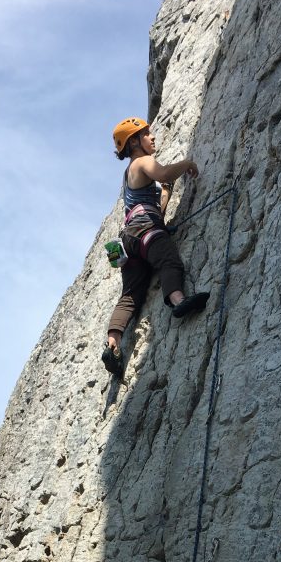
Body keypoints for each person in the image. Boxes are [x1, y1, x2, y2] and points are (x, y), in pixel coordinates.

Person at [102, 117, 210, 377]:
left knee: (131, 294)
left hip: (130, 240)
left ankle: (113, 343)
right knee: (168, 261)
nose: (153, 138)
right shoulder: (143, 161)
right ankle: (178, 300)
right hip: (147, 231)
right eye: (147, 134)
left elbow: (155, 207)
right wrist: (187, 164)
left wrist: (167, 192)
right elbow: (162, 173)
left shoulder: (129, 173)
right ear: (135, 142)